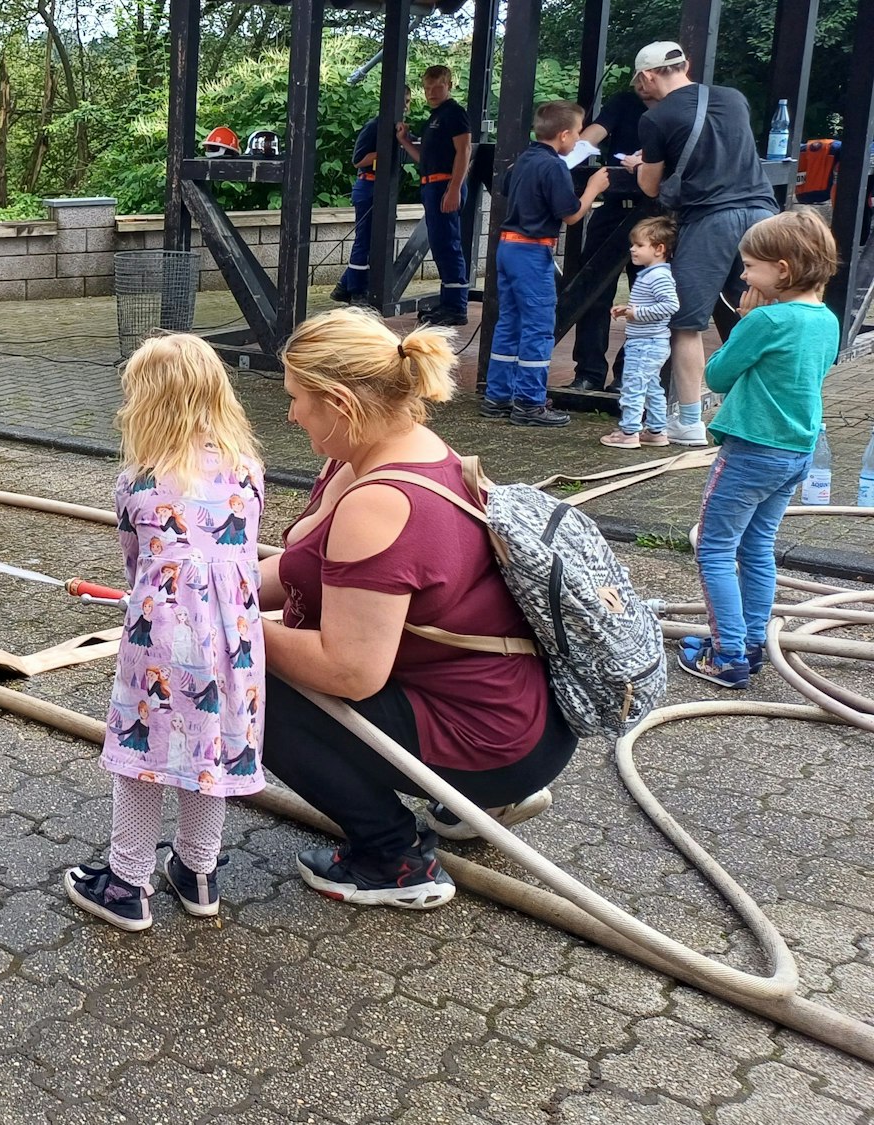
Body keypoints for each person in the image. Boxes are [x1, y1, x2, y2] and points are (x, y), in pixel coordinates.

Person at [260, 310, 578, 909]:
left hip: (496, 741)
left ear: (340, 403)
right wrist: (206, 590)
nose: (291, 413)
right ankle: (480, 804)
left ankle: (394, 860)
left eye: (298, 398)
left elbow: (351, 672)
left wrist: (231, 627)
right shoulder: (390, 453)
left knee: (242, 684)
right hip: (515, 716)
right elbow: (304, 571)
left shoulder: (380, 503)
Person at [65, 334, 267, 932]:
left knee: (141, 751)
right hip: (235, 640)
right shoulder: (248, 471)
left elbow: (137, 566)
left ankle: (127, 882)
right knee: (206, 745)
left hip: (162, 632)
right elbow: (243, 553)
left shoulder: (139, 480)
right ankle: (199, 871)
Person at [678, 210, 841, 688]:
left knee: (714, 549)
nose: (744, 275)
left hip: (751, 452)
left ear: (783, 270)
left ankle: (727, 654)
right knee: (757, 548)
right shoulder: (826, 320)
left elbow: (716, 375)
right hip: (797, 453)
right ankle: (748, 643)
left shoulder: (767, 318)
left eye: (750, 266)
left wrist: (746, 319)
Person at [621, 41, 779, 447]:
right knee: (758, 318)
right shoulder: (734, 99)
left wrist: (638, 164)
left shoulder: (656, 119)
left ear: (649, 75)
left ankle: (690, 422)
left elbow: (652, 186)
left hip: (711, 221)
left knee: (686, 323)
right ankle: (760, 414)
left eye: (642, 80)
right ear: (685, 65)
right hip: (763, 215)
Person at [481, 101, 611, 427]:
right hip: (532, 251)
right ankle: (529, 402)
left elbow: (508, 188)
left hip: (507, 248)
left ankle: (498, 397)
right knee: (538, 327)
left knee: (509, 322)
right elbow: (570, 213)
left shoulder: (524, 159)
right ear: (565, 135)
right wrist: (593, 188)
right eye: (578, 133)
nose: (579, 138)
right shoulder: (554, 167)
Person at [568, 82, 662, 392]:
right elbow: (596, 131)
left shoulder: (676, 108)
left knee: (645, 297)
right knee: (593, 290)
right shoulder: (624, 99)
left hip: (652, 214)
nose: (641, 85)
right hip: (612, 209)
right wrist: (567, 152)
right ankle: (589, 372)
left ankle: (627, 374)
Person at [396, 66, 472, 327]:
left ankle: (456, 305)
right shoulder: (433, 118)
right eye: (428, 88)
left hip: (444, 185)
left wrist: (453, 188)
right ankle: (448, 300)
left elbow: (464, 151)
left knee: (449, 244)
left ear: (449, 86)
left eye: (438, 87)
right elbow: (424, 159)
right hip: (430, 184)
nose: (432, 93)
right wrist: (405, 141)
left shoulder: (454, 113)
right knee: (440, 244)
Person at [600, 216, 681, 448]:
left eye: (639, 245)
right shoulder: (651, 274)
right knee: (651, 387)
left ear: (659, 249)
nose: (632, 249)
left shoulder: (658, 275)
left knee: (633, 387)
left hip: (646, 342)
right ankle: (656, 430)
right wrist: (629, 310)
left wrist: (637, 313)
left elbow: (670, 305)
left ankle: (629, 432)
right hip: (649, 341)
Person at [333, 113, 391, 307]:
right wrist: (384, 151)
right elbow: (358, 160)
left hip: (382, 189)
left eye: (408, 101)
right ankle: (357, 291)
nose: (406, 106)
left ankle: (344, 286)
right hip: (368, 187)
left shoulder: (397, 128)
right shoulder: (374, 126)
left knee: (374, 240)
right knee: (364, 240)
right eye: (403, 101)